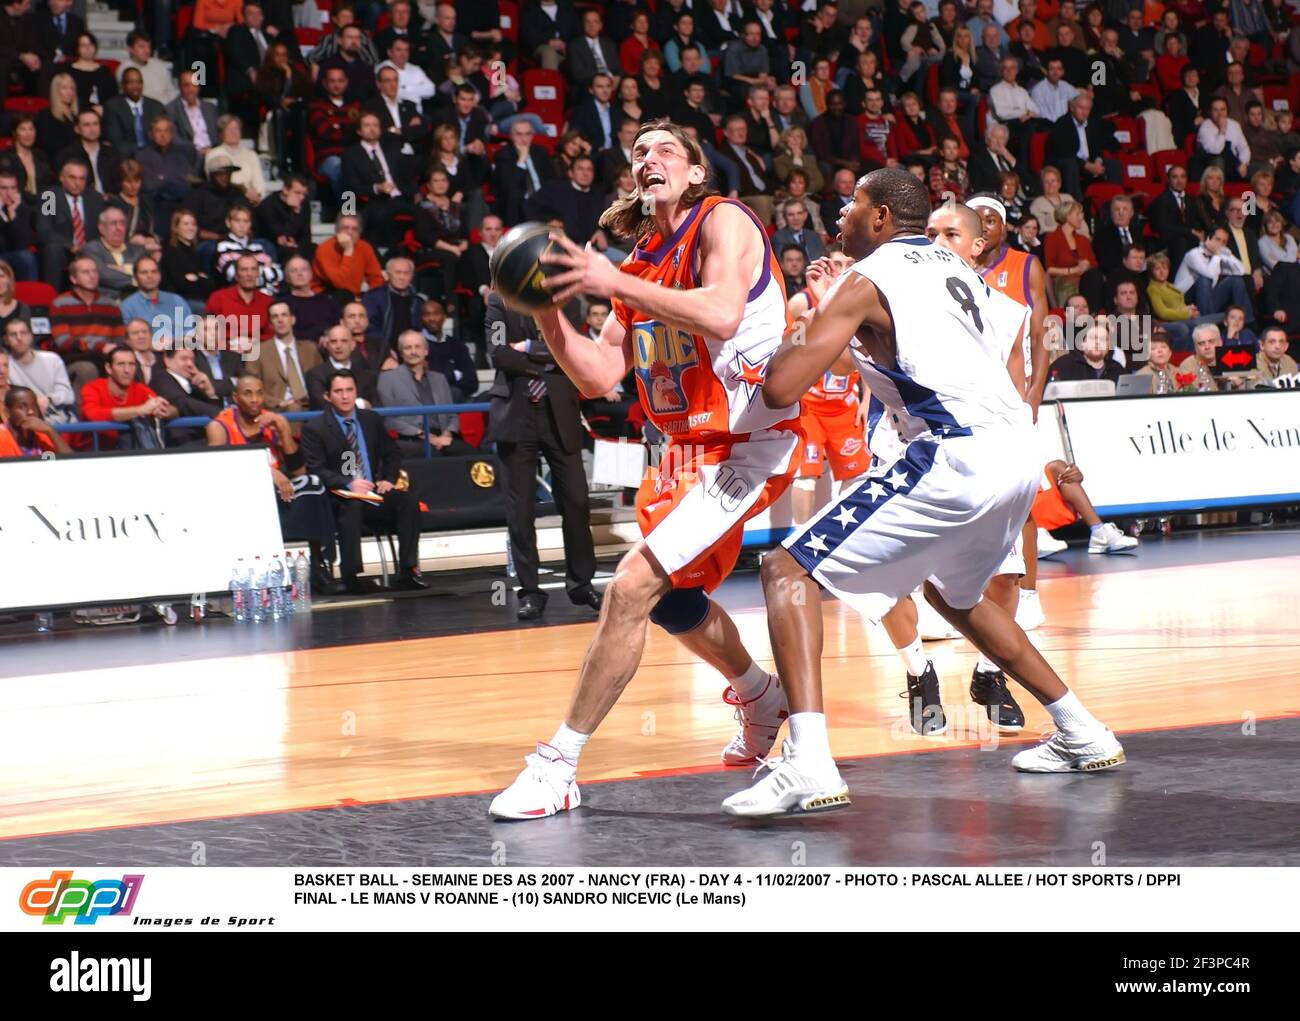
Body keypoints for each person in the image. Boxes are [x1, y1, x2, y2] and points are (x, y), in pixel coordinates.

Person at [722, 167, 1125, 815]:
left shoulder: (866, 279)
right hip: (1014, 451)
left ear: (881, 218)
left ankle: (810, 761)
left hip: (951, 452)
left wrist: (828, 312)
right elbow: (1010, 332)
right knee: (956, 594)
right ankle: (1082, 729)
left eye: (851, 206)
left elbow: (779, 387)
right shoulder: (956, 267)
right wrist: (859, 325)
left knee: (784, 568)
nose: (839, 219)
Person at [489, 120, 804, 820]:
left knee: (630, 587)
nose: (648, 158)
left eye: (666, 149)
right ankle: (760, 694)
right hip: (683, 454)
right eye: (639, 152)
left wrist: (607, 278)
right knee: (667, 599)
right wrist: (547, 314)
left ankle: (559, 765)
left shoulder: (725, 221)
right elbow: (601, 375)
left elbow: (722, 313)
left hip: (744, 443)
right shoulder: (638, 260)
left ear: (695, 172)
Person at [207, 373, 342, 595]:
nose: (254, 399)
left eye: (260, 393)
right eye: (247, 393)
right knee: (311, 488)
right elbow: (219, 469)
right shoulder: (219, 426)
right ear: (235, 397)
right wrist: (266, 471)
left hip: (279, 493)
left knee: (314, 484)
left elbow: (299, 471)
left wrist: (284, 430)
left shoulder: (272, 420)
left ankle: (318, 566)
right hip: (240, 495)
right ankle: (318, 563)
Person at [299, 368, 429, 593]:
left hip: (373, 492)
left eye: (349, 390)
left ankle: (408, 571)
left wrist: (388, 479)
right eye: (338, 391)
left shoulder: (371, 419)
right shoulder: (315, 428)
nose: (345, 396)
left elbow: (393, 453)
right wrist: (348, 483)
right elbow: (316, 469)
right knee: (353, 505)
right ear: (328, 396)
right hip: (338, 497)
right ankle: (351, 576)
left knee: (407, 501)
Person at [377, 328, 472, 456]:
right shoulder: (387, 378)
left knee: (476, 457)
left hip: (444, 437)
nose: (413, 352)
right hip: (411, 439)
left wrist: (447, 434)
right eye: (408, 348)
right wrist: (426, 436)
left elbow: (452, 415)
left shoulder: (440, 378)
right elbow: (389, 420)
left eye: (417, 347)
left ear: (425, 351)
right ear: (401, 353)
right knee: (434, 455)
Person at [78, 343, 177, 449]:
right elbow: (93, 414)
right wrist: (139, 410)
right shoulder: (92, 388)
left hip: (128, 452)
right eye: (121, 364)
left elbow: (173, 410)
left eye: (131, 364)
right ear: (108, 368)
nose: (127, 370)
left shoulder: (140, 389)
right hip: (90, 453)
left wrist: (165, 411)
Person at [3, 317, 76, 424]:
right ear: (6, 340)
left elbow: (68, 396)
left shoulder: (52, 359)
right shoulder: (4, 365)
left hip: (59, 419)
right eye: (13, 334)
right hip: (24, 422)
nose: (19, 338)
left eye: (23, 333)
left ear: (30, 336)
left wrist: (48, 399)